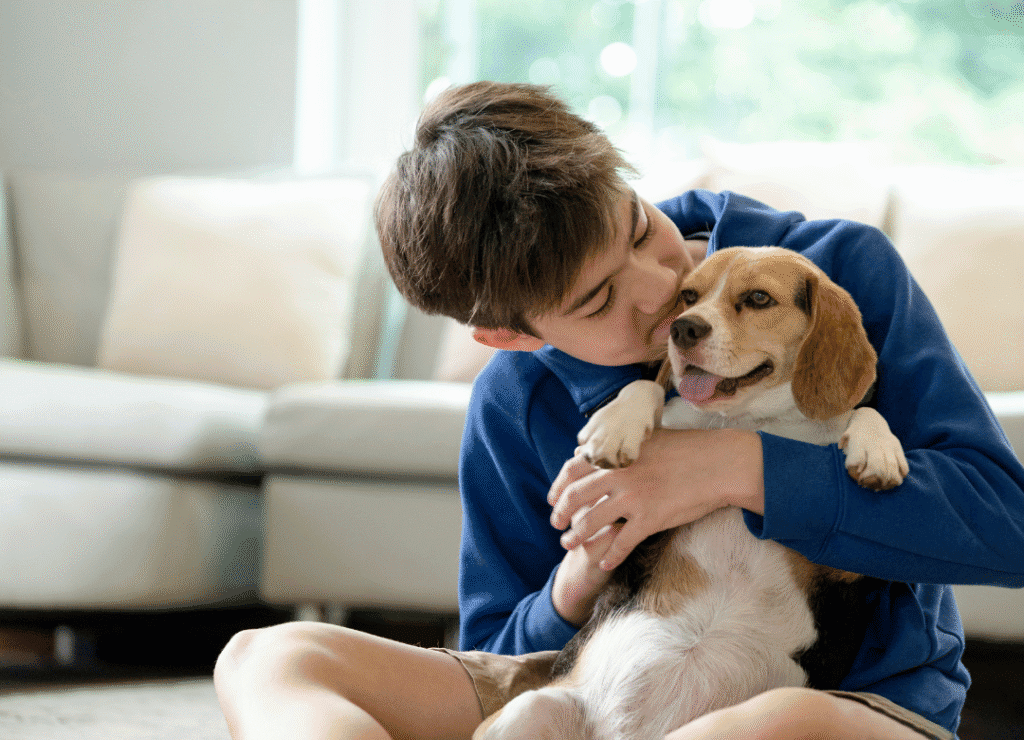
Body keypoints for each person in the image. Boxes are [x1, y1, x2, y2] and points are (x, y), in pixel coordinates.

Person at [214, 81, 1024, 740]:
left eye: (640, 229)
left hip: (837, 701)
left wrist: (736, 468)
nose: (661, 291)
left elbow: (1007, 526)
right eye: (598, 300)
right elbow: (496, 658)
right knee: (263, 657)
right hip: (591, 686)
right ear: (512, 334)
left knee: (769, 727)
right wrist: (577, 579)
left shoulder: (839, 268)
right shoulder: (514, 398)